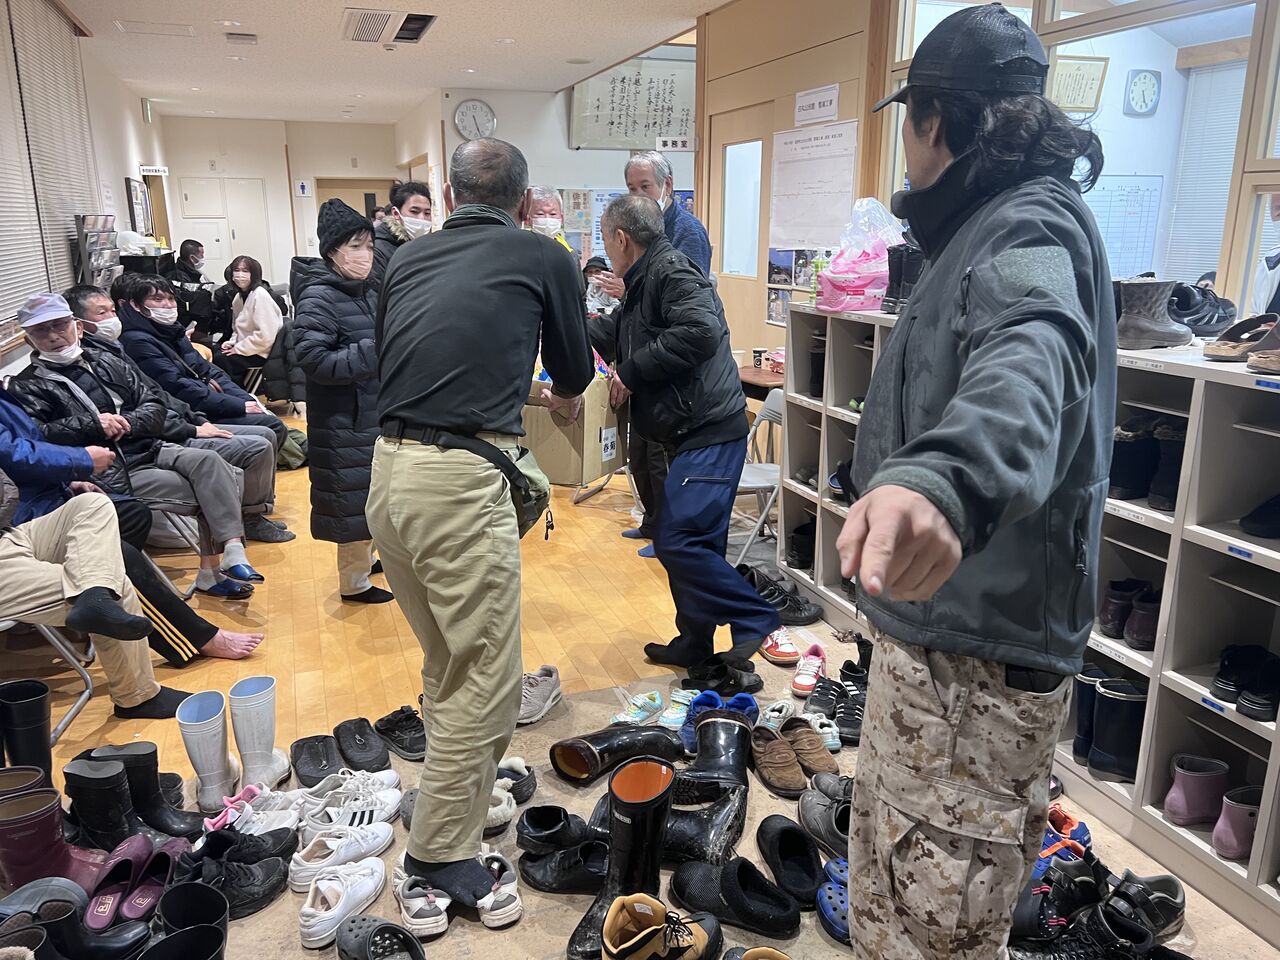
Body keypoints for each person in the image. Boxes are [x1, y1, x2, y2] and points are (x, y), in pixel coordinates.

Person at [836, 6, 1113, 957]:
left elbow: (1033, 349)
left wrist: (950, 480)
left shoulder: (1028, 224)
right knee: (886, 903)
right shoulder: (978, 226)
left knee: (934, 928)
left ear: (934, 121)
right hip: (938, 640)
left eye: (908, 123)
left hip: (975, 667)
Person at [369, 138, 593, 907]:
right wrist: (554, 394)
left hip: (388, 474)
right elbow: (574, 372)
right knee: (489, 678)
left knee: (448, 658)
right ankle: (438, 854)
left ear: (448, 198)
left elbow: (413, 364)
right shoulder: (543, 254)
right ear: (526, 203)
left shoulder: (406, 258)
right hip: (457, 485)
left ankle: (457, 787)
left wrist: (512, 387)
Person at [589, 195, 781, 668]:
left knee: (677, 540)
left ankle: (756, 614)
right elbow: (616, 335)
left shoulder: (670, 271)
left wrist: (630, 372)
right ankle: (695, 643)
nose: (606, 249)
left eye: (605, 239)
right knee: (696, 542)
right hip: (685, 428)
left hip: (709, 428)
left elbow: (700, 332)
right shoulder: (642, 279)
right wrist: (562, 326)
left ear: (621, 238)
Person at [9, 293, 265, 601]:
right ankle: (211, 573)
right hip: (109, 468)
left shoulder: (106, 360)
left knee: (210, 462)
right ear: (29, 340)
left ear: (77, 327)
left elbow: (153, 403)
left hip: (149, 445)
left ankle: (232, 552)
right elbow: (38, 437)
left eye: (60, 325)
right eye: (41, 330)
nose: (53, 336)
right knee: (217, 483)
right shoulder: (24, 386)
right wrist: (94, 425)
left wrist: (128, 422)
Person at [0, 385, 264, 664]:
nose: (54, 338)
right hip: (29, 512)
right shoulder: (31, 384)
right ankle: (196, 638)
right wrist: (84, 453)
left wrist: (72, 476)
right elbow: (16, 453)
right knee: (117, 559)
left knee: (129, 514)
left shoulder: (15, 392)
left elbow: (155, 398)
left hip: (122, 457)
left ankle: (221, 558)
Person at [64, 283, 292, 545]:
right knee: (259, 439)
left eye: (112, 311)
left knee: (265, 435)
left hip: (176, 425)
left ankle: (250, 517)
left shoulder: (126, 347)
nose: (167, 306)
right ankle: (237, 528)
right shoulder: (132, 343)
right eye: (101, 313)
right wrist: (197, 425)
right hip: (152, 444)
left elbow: (161, 393)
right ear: (78, 324)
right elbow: (170, 393)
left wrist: (232, 405)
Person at [0, 479, 191, 719]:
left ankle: (94, 598)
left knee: (93, 504)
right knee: (114, 584)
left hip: (9, 534)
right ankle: (136, 697)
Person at [601, 151, 712, 554]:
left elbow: (690, 314)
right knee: (643, 452)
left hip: (673, 376)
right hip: (648, 364)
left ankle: (667, 533)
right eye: (631, 188)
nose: (638, 194)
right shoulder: (641, 246)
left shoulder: (683, 236)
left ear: (667, 186)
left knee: (662, 458)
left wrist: (628, 289)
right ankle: (652, 523)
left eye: (644, 186)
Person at [291, 200, 389, 604]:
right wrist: (376, 350)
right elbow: (314, 360)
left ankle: (369, 561)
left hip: (371, 412)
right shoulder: (318, 297)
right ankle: (354, 583)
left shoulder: (369, 289)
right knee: (352, 501)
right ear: (332, 251)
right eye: (355, 246)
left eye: (369, 246)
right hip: (343, 419)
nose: (365, 255)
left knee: (373, 494)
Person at [115, 274, 287, 451]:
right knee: (270, 427)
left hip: (205, 402)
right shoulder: (137, 341)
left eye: (171, 299)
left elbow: (208, 370)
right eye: (157, 299)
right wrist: (237, 406)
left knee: (269, 420)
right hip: (189, 412)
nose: (167, 305)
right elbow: (178, 388)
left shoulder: (172, 331)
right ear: (135, 305)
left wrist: (244, 400)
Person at [215, 255, 284, 385]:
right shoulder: (238, 298)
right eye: (237, 270)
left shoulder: (260, 295)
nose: (240, 274)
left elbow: (266, 336)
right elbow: (237, 329)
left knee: (222, 360)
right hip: (248, 347)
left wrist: (239, 348)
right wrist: (232, 343)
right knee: (215, 351)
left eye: (245, 271)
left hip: (262, 351)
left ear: (254, 274)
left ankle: (237, 393)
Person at [372, 180, 433, 283]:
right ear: (396, 213)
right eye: (414, 211)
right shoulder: (379, 249)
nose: (422, 218)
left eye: (427, 213)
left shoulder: (429, 245)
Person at [166, 239, 216, 342]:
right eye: (201, 254)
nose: (203, 257)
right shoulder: (179, 276)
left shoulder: (192, 271)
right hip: (188, 312)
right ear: (192, 258)